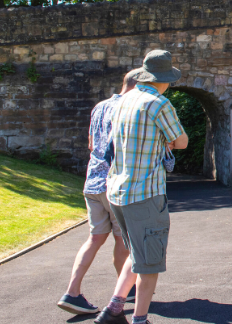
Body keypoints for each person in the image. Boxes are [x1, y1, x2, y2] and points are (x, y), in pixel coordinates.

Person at [94, 50, 189, 324]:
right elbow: (181, 141)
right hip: (145, 193)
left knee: (137, 253)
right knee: (150, 261)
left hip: (117, 192)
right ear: (164, 79)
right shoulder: (159, 104)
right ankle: (140, 319)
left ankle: (114, 308)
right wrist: (168, 140)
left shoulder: (123, 101)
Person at [57, 72, 138, 316]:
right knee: (123, 240)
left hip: (92, 182)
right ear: (138, 86)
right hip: (114, 183)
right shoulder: (129, 107)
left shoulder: (99, 106)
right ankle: (122, 292)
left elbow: (92, 144)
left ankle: (72, 292)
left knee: (95, 238)